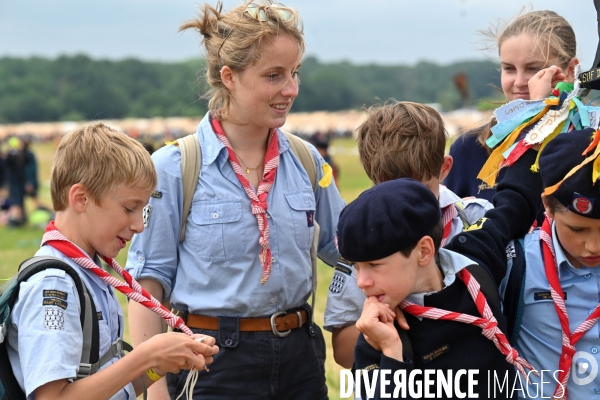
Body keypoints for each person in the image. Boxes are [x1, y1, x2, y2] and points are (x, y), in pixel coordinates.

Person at [125, 2, 345, 399]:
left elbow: (346, 251)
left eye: (294, 73)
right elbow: (148, 284)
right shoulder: (175, 167)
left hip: (301, 361)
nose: (291, 89)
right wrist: (154, 390)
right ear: (229, 77)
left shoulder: (307, 161)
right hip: (209, 363)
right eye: (274, 76)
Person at [6, 122, 218, 400]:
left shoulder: (90, 274)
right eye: (130, 208)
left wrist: (160, 364)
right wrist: (145, 356)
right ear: (81, 199)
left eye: (142, 211)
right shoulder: (54, 286)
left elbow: (106, 387)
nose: (139, 226)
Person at [336, 139, 543, 398]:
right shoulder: (378, 334)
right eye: (357, 267)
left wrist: (540, 129)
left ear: (424, 251)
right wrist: (391, 351)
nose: (362, 282)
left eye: (374, 265)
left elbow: (513, 205)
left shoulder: (473, 263)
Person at [325, 101, 493, 368]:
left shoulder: (475, 218)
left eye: (418, 187)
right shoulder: (362, 231)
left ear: (445, 168)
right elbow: (343, 352)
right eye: (388, 189)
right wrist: (380, 326)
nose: (404, 202)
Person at [445, 10, 578, 201]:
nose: (519, 81)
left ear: (571, 70)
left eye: (534, 68)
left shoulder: (591, 146)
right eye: (509, 68)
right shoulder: (469, 149)